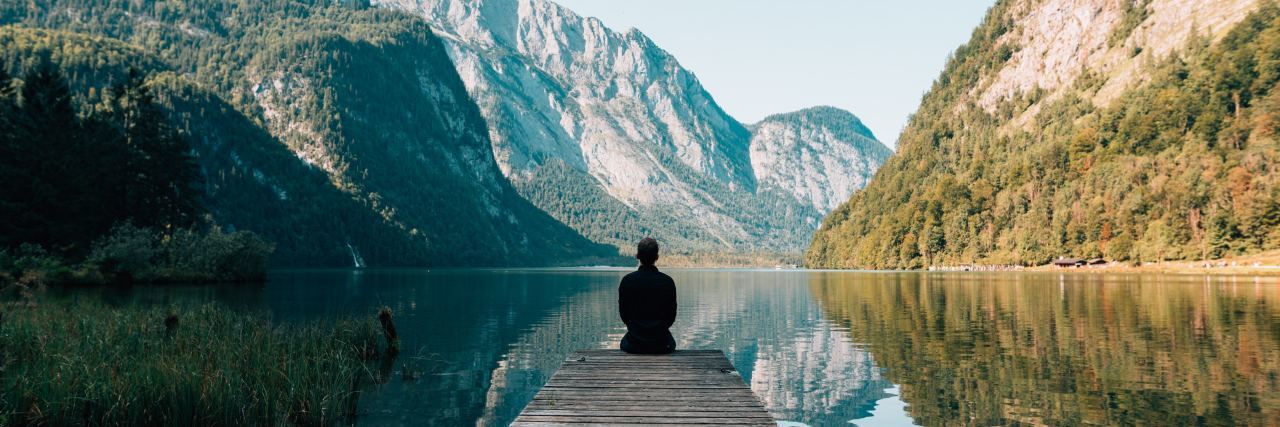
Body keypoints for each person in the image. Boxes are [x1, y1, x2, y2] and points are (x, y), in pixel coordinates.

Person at [618, 237, 677, 354]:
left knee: (624, 342)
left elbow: (624, 314)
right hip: (662, 344)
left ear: (637, 256)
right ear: (657, 257)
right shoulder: (667, 281)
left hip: (633, 344)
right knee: (670, 342)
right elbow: (671, 316)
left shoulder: (627, 281)